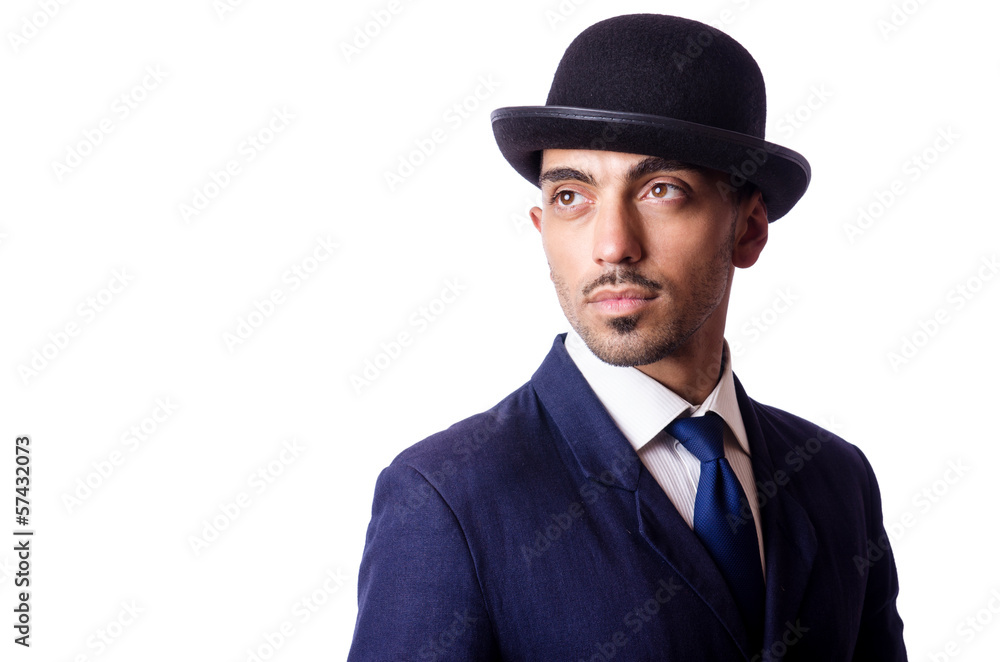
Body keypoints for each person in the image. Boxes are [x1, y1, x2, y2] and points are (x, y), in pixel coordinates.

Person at [348, 13, 906, 661]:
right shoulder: (448, 499)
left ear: (748, 230)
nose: (612, 245)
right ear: (541, 227)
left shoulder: (836, 478)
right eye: (571, 196)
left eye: (661, 190)